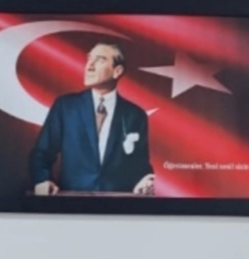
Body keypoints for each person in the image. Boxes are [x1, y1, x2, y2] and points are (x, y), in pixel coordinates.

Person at [28, 43, 155, 196]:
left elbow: (141, 165)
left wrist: (145, 180)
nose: (89, 66)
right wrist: (42, 180)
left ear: (117, 71)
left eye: (99, 60)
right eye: (89, 59)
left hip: (117, 204)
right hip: (71, 201)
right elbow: (42, 153)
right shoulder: (66, 106)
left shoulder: (135, 115)